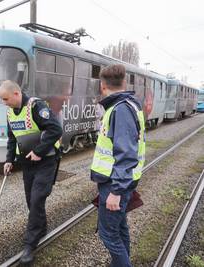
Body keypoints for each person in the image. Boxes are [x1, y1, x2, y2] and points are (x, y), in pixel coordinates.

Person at [0, 80, 62, 265]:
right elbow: (12, 138)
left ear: (16, 94)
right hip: (27, 162)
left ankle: (30, 244)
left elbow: (56, 129)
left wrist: (39, 151)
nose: (4, 103)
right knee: (30, 200)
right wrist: (9, 160)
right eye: (2, 100)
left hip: (46, 160)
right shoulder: (10, 112)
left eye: (6, 99)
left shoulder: (36, 106)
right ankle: (40, 227)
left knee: (36, 198)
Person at [90, 64, 145, 267]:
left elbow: (126, 154)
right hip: (119, 180)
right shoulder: (130, 104)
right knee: (120, 229)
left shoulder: (120, 109)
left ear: (102, 86)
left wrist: (116, 191)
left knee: (108, 235)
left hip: (115, 182)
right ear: (123, 83)